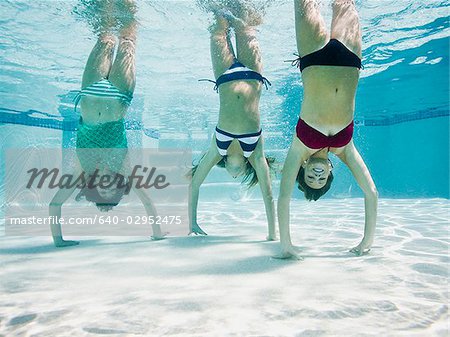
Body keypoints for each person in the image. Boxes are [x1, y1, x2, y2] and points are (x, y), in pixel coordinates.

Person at [49, 0, 163, 247]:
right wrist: (157, 233)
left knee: (105, 38)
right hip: (120, 96)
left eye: (102, 188)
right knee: (128, 40)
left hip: (90, 92)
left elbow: (55, 204)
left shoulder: (82, 173)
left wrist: (59, 241)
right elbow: (148, 202)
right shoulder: (124, 169)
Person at [276, 0, 378, 259]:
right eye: (321, 179)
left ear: (304, 169)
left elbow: (284, 197)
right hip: (350, 59)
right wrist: (366, 241)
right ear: (330, 171)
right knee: (344, 2)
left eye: (311, 178)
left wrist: (286, 244)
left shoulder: (299, 149)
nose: (317, 176)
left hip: (313, 59)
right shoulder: (345, 149)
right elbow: (371, 193)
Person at [189, 2, 276, 240]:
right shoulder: (255, 154)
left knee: (218, 21)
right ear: (246, 169)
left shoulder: (218, 149)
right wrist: (272, 233)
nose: (233, 175)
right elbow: (268, 195)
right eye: (238, 176)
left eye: (229, 174)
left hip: (224, 75)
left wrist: (192, 222)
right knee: (244, 23)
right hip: (254, 74)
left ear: (224, 165)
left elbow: (195, 184)